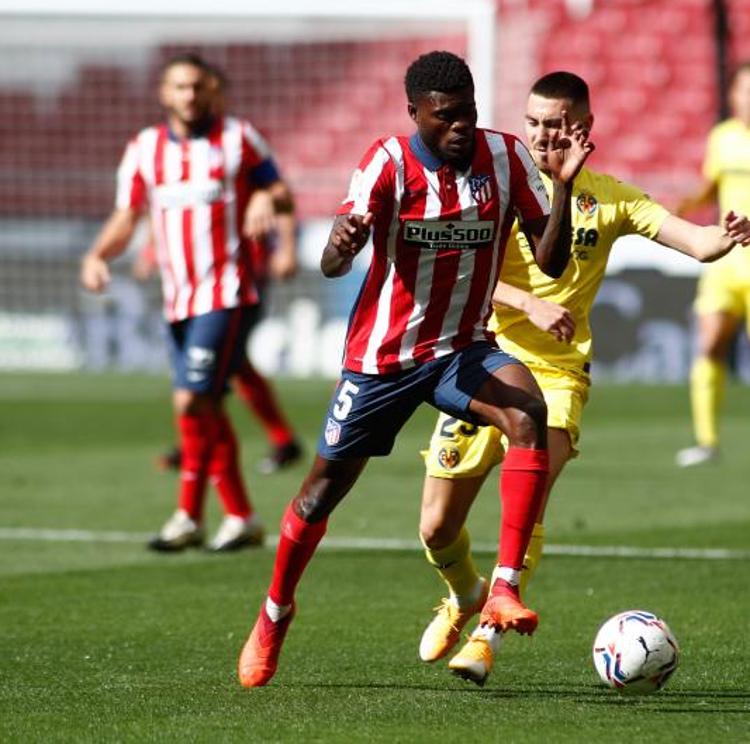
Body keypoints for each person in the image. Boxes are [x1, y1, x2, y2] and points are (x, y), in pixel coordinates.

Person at [236, 50, 595, 688]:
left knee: (530, 412)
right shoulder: (387, 163)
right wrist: (337, 247)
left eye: (470, 112)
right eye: (446, 116)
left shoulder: (507, 158)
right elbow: (331, 261)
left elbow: (553, 265)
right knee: (320, 494)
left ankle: (504, 588)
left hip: (462, 349)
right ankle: (274, 612)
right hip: (383, 359)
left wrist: (562, 186)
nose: (461, 126)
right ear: (415, 114)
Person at [415, 71, 750, 686]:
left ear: (584, 129)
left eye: (558, 123)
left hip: (559, 374)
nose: (544, 135)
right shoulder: (493, 186)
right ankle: (464, 594)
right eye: (535, 122)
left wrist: (724, 238)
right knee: (436, 527)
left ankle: (489, 629)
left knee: (533, 491)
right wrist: (530, 303)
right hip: (481, 357)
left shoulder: (612, 198)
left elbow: (694, 242)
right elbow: (458, 268)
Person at [80, 53, 293, 552]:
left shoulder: (239, 138)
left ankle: (195, 513)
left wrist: (266, 199)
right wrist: (97, 254)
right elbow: (127, 215)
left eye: (197, 86)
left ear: (210, 90)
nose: (190, 96)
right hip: (177, 299)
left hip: (227, 292)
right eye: (179, 87)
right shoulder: (144, 149)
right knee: (201, 406)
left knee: (193, 400)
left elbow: (281, 191)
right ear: (164, 93)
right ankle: (231, 517)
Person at [138, 65, 303, 475]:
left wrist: (286, 247)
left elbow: (278, 192)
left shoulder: (238, 141)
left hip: (243, 274)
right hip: (202, 278)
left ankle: (199, 438)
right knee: (231, 363)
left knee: (217, 366)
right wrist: (152, 245)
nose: (198, 98)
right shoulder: (190, 148)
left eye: (206, 90)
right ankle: (272, 439)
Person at [675, 61, 750, 467]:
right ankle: (706, 441)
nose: (749, 99)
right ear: (733, 95)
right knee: (710, 344)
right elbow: (714, 185)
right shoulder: (722, 138)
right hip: (725, 257)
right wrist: (689, 203)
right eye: (744, 91)